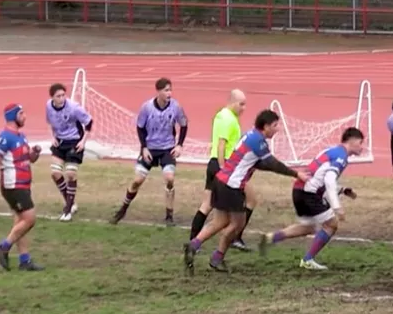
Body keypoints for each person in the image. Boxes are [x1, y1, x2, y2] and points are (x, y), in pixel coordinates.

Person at [183, 110, 308, 274]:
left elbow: (257, 163)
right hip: (232, 186)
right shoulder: (258, 141)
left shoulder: (250, 135)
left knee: (219, 222)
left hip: (221, 181)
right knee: (237, 224)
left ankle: (193, 245)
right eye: (275, 125)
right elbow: (271, 163)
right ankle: (217, 258)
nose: (277, 129)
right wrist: (296, 173)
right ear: (266, 126)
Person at [258, 127, 364, 270]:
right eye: (360, 142)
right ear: (351, 141)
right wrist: (337, 207)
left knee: (308, 227)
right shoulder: (342, 156)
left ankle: (271, 238)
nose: (362, 147)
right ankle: (308, 260)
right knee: (331, 224)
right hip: (308, 194)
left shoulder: (331, 151)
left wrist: (342, 190)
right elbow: (329, 180)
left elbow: (320, 177)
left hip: (298, 190)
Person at [110, 78, 189, 226]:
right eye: (166, 90)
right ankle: (122, 210)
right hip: (150, 148)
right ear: (158, 91)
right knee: (137, 181)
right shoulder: (147, 107)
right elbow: (140, 127)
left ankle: (169, 216)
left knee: (170, 178)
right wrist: (144, 147)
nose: (169, 93)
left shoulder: (176, 106)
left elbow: (184, 125)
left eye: (170, 90)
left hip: (167, 149)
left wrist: (179, 145)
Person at [0, 103, 44, 271]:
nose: (25, 116)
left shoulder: (21, 136)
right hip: (13, 186)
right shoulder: (4, 137)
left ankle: (24, 260)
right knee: (30, 220)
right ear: (12, 116)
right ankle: (3, 246)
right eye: (21, 113)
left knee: (20, 221)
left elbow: (28, 159)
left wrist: (34, 153)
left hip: (23, 184)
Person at [190, 89, 255, 251]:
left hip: (214, 164)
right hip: (225, 166)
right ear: (232, 102)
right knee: (251, 199)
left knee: (206, 205)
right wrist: (223, 169)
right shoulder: (228, 119)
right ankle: (235, 237)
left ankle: (193, 241)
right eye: (241, 104)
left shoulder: (221, 115)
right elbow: (221, 145)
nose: (244, 108)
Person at [45, 82, 93, 221]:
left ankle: (68, 210)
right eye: (58, 96)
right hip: (60, 142)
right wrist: (52, 137)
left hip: (74, 141)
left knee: (71, 173)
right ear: (52, 97)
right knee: (55, 173)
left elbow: (89, 122)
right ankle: (70, 202)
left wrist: (83, 141)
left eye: (63, 95)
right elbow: (49, 122)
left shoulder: (74, 108)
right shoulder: (48, 106)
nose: (61, 98)